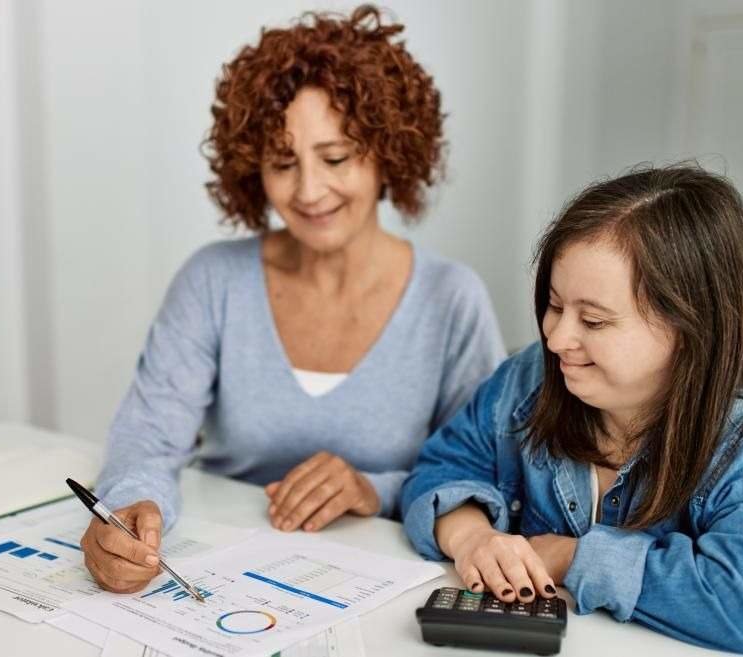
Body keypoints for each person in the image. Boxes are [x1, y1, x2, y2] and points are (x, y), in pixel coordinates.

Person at [81, 5, 506, 595]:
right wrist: (127, 509)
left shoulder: (450, 298)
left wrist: (370, 490)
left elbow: (483, 473)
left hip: (386, 584)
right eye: (283, 163)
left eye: (335, 159)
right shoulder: (214, 281)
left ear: (388, 153)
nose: (309, 191)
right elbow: (147, 437)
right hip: (216, 571)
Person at [400, 165, 743, 653]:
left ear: (688, 328)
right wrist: (471, 538)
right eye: (554, 305)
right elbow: (443, 466)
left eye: (593, 320)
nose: (557, 338)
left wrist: (571, 557)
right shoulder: (528, 378)